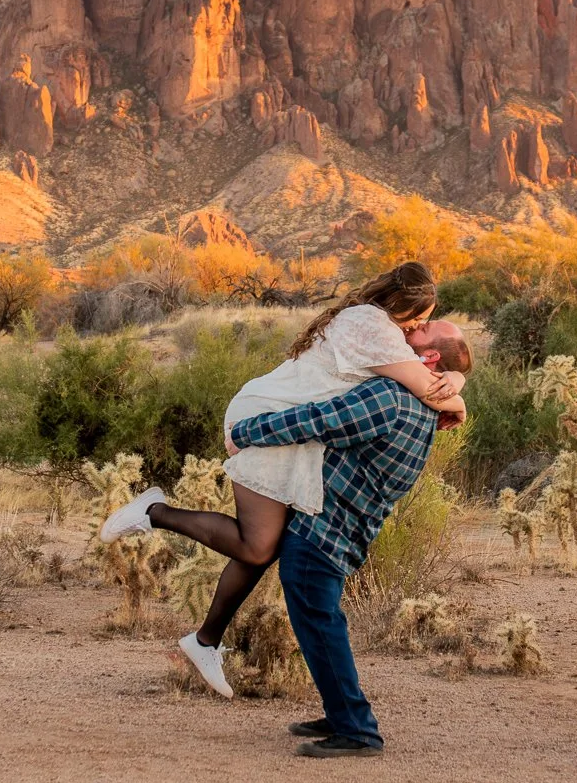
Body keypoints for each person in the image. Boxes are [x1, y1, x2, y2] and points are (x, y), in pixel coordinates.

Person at [98, 262, 470, 696]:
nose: (417, 326)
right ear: (403, 307)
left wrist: (454, 377)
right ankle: (153, 512)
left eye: (425, 325)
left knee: (267, 545)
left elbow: (433, 378)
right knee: (257, 545)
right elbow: (433, 389)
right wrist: (457, 391)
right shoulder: (375, 327)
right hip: (271, 418)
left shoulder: (384, 331)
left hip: (291, 430)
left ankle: (204, 641)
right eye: (421, 318)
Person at [223, 363, 454, 756]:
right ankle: (342, 711)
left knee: (319, 622)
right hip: (343, 528)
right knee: (323, 620)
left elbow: (320, 420)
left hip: (323, 529)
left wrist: (245, 433)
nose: (405, 336)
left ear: (431, 359)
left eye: (419, 332)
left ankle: (357, 730)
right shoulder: (424, 408)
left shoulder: (390, 396)